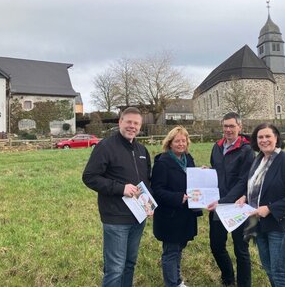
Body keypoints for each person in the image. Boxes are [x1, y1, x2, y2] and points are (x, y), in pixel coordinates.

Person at [82, 107, 151, 287]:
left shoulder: (142, 150)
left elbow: (146, 182)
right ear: (120, 122)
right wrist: (120, 189)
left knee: (130, 264)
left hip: (138, 218)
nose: (132, 126)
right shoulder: (106, 146)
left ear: (140, 126)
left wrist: (149, 205)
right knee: (115, 268)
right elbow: (89, 177)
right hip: (115, 219)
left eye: (136, 123)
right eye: (128, 122)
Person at [237, 123, 285, 287]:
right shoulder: (258, 160)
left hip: (279, 223)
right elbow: (256, 187)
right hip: (259, 222)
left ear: (276, 138)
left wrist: (269, 209)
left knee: (279, 271)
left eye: (268, 136)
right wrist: (244, 197)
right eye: (260, 137)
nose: (264, 140)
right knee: (268, 267)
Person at [207, 112, 254, 287]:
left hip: (237, 206)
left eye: (232, 126)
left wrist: (225, 200)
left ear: (239, 127)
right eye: (225, 126)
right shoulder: (217, 147)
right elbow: (217, 170)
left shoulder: (247, 150)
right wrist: (208, 172)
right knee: (217, 246)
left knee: (241, 250)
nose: (228, 129)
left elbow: (244, 180)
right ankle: (228, 279)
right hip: (218, 206)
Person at [151, 126, 202, 287]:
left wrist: (202, 173)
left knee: (179, 249)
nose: (181, 144)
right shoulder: (163, 162)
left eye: (184, 140)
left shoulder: (189, 159)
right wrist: (177, 197)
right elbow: (157, 191)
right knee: (171, 252)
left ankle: (177, 280)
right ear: (170, 143)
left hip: (186, 214)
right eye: (177, 141)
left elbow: (193, 180)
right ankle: (171, 283)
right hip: (170, 216)